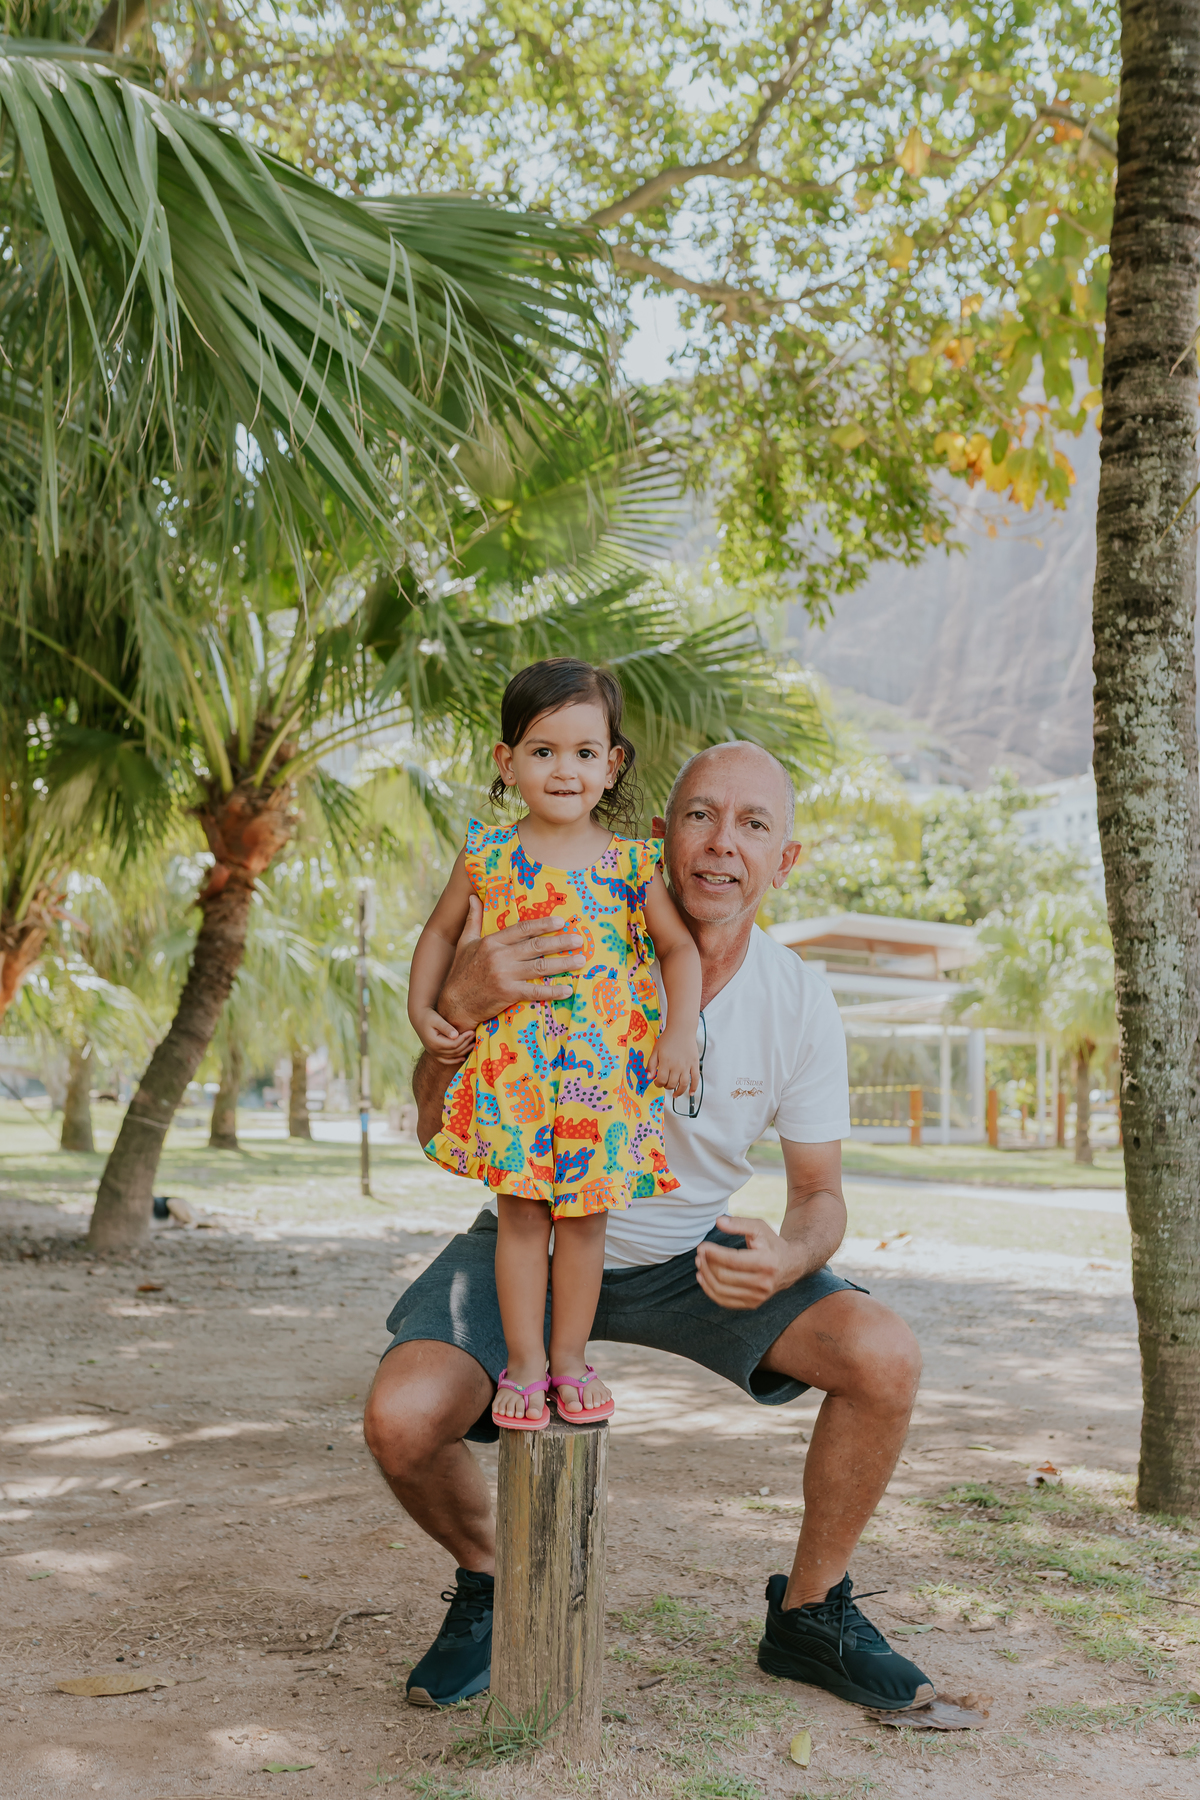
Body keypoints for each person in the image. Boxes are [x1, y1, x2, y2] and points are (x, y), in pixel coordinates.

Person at [365, 740, 929, 1715]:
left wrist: (791, 1253)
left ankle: (808, 1613)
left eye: (755, 825)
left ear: (783, 862)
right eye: (701, 815)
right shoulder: (560, 928)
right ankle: (500, 1582)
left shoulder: (797, 998)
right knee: (401, 1421)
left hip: (689, 1260)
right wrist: (457, 1000)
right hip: (529, 1247)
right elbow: (429, 1125)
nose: (723, 844)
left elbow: (822, 1195)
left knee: (884, 1354)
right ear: (660, 834)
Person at [407, 659, 702, 1430]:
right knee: (522, 1218)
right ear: (507, 764)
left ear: (612, 765)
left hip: (607, 1077)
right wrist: (421, 1008)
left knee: (586, 1224)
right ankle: (527, 1364)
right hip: (517, 1075)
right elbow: (439, 933)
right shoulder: (487, 856)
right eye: (542, 751)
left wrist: (680, 1033)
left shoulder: (634, 865)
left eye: (582, 752)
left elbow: (679, 952)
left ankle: (570, 1360)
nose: (563, 769)